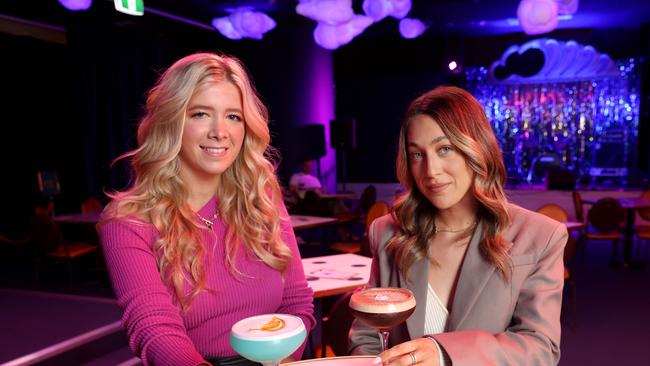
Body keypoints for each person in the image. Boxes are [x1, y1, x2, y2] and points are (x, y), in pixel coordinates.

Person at [98, 53, 315, 366]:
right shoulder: (127, 220)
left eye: (233, 116)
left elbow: (297, 303)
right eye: (200, 114)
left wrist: (279, 361)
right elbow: (153, 327)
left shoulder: (263, 198)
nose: (219, 132)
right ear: (171, 120)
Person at [349, 86, 567, 366]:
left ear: (477, 149)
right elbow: (367, 335)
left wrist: (442, 354)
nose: (431, 171)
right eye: (417, 154)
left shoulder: (540, 236)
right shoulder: (387, 232)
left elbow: (540, 348)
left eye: (445, 149)